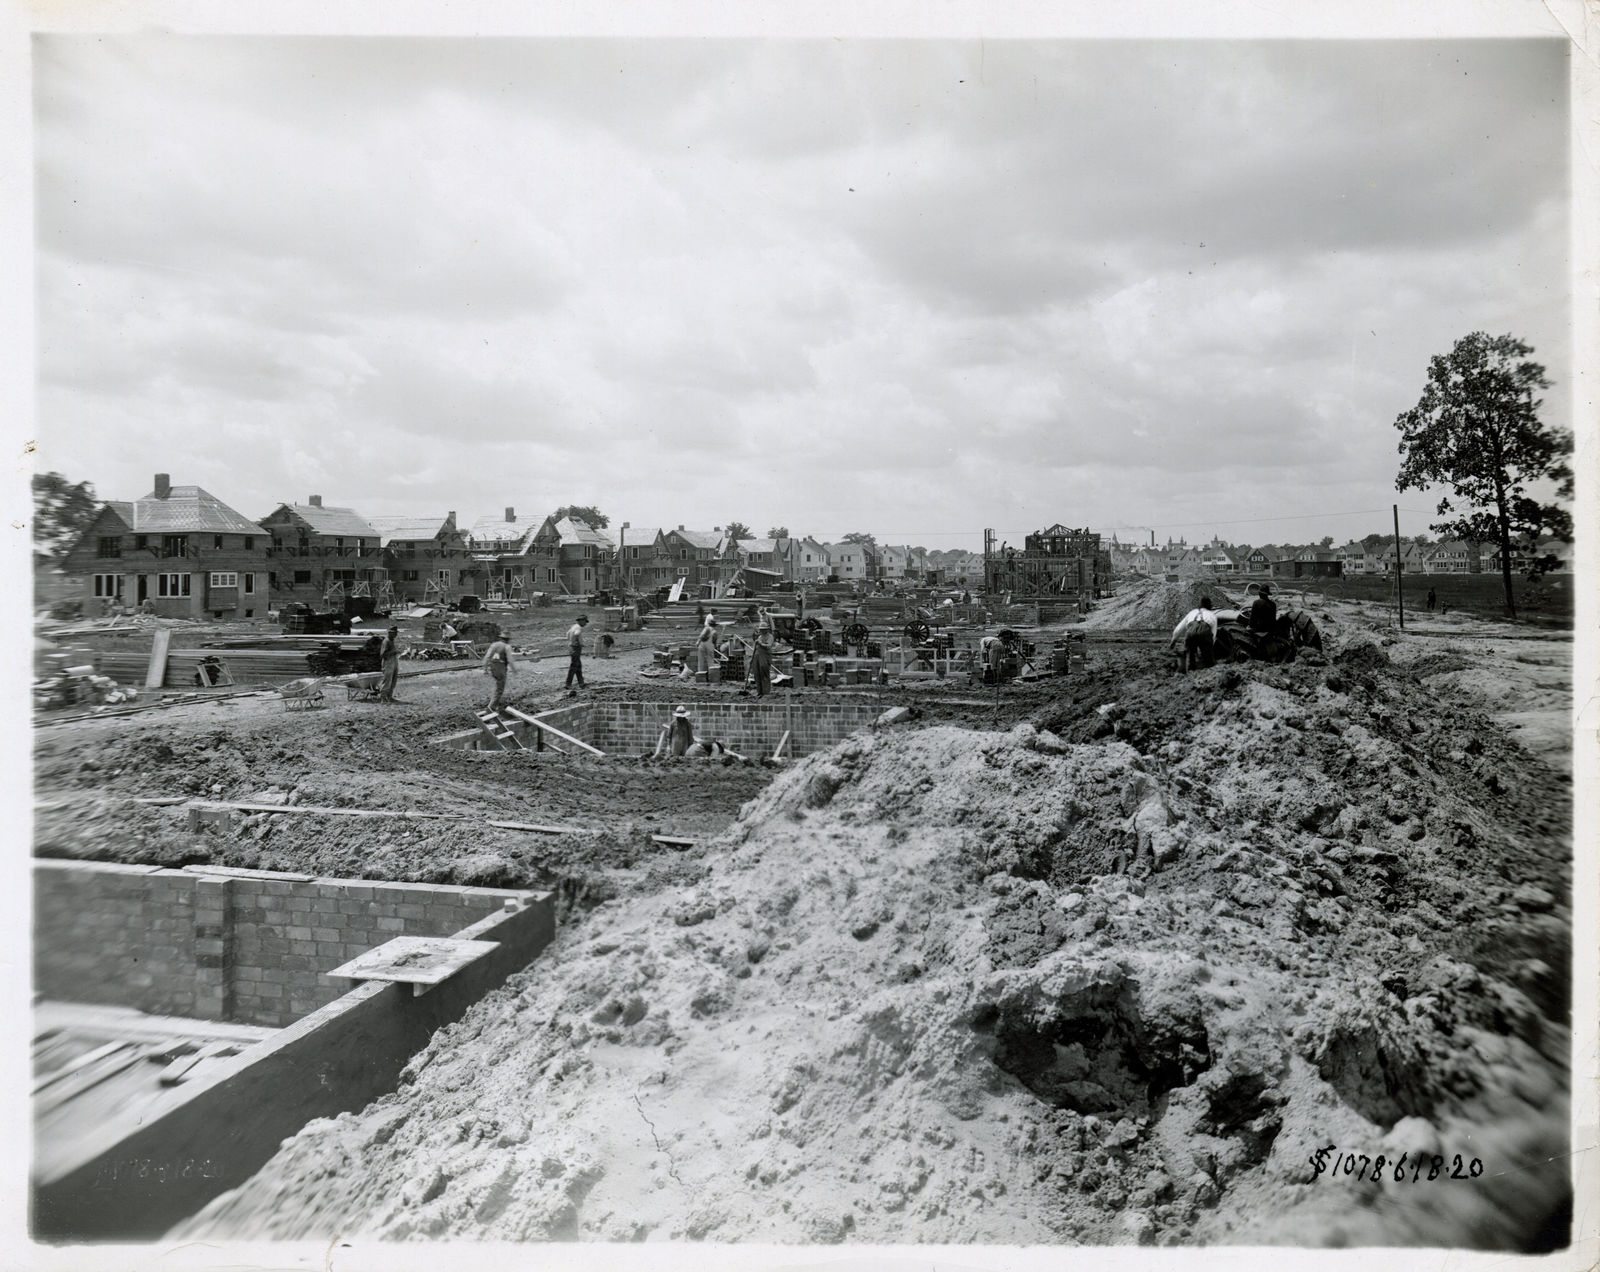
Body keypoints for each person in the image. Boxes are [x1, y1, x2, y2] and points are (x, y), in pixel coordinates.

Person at [1169, 596, 1217, 672]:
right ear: (1209, 606)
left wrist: (1173, 641)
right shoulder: (1212, 615)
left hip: (1190, 633)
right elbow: (1213, 634)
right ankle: (1208, 671)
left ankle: (1190, 672)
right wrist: (1210, 646)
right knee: (1208, 659)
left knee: (1190, 655)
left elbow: (1179, 628)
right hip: (1205, 633)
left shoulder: (1192, 612)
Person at [483, 632, 514, 711]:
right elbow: (510, 660)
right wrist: (514, 669)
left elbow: (487, 657)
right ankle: (491, 707)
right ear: (508, 640)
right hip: (501, 667)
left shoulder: (494, 645)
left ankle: (494, 705)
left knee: (498, 686)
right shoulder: (507, 647)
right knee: (500, 688)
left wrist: (485, 669)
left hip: (493, 666)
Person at [565, 614, 588, 693]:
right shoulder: (578, 628)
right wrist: (581, 643)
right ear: (581, 621)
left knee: (578, 666)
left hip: (571, 647)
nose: (585, 624)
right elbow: (577, 634)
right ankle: (568, 683)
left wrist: (571, 641)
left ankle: (581, 683)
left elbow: (567, 634)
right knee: (574, 666)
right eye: (585, 622)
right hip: (576, 648)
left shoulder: (573, 627)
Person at [377, 625, 401, 703]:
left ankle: (389, 696)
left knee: (393, 679)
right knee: (387, 680)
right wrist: (394, 652)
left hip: (394, 661)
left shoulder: (392, 641)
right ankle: (383, 697)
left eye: (396, 633)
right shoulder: (386, 641)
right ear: (389, 633)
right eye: (394, 633)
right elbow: (383, 655)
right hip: (388, 662)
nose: (396, 635)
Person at [751, 626, 774, 698]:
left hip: (765, 657)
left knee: (764, 673)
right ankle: (759, 691)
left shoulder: (770, 636)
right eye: (761, 629)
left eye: (763, 629)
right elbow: (755, 648)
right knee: (757, 674)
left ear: (766, 629)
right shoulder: (760, 636)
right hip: (757, 656)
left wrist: (761, 643)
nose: (761, 631)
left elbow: (769, 646)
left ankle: (766, 692)